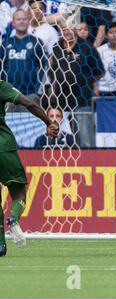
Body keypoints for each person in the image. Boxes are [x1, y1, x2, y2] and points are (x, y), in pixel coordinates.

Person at [0, 79, 59, 256]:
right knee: (18, 193)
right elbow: (29, 103)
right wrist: (49, 123)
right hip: (3, 146)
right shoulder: (1, 85)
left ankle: (1, 244)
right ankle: (13, 218)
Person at [49, 19, 105, 148]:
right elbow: (53, 71)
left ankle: (90, 165)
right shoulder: (56, 48)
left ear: (75, 29)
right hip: (61, 102)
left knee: (85, 141)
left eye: (69, 28)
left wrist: (85, 81)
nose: (67, 32)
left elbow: (99, 72)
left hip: (81, 100)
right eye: (64, 29)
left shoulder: (87, 48)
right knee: (61, 143)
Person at [0, 9, 47, 110]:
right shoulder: (5, 43)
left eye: (24, 19)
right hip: (9, 96)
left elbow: (44, 66)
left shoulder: (37, 42)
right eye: (18, 19)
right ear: (13, 23)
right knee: (8, 125)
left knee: (30, 125)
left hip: (30, 95)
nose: (21, 21)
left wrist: (37, 93)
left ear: (29, 21)